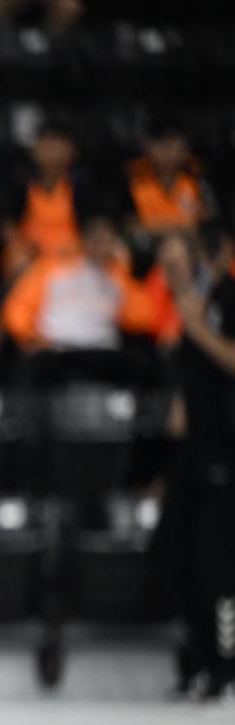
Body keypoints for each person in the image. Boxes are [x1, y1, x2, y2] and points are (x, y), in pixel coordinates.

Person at [151, 225, 235, 700]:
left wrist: (198, 329)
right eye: (166, 268)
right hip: (193, 454)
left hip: (226, 452)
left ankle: (225, 665)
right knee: (174, 556)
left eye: (179, 265)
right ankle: (197, 661)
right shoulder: (184, 310)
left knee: (217, 565)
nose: (172, 275)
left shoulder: (224, 300)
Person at [1, 211, 157, 356]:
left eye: (106, 239)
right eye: (95, 239)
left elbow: (143, 317)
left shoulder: (118, 276)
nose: (100, 246)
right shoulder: (52, 268)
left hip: (103, 354)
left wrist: (122, 270)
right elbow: (16, 308)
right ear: (83, 239)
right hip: (56, 350)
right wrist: (31, 336)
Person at [0, 118, 99, 280]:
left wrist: (76, 247)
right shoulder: (19, 182)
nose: (51, 150)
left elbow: (94, 228)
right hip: (32, 254)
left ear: (71, 150)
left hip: (72, 253)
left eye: (57, 143)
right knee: (17, 261)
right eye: (45, 143)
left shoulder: (82, 186)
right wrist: (26, 246)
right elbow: (7, 227)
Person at [124, 116, 219, 250]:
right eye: (161, 143)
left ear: (184, 146)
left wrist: (161, 227)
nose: (167, 151)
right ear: (147, 145)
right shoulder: (133, 176)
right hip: (147, 253)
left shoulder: (198, 174)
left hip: (192, 251)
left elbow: (210, 218)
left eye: (173, 142)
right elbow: (129, 225)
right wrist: (176, 228)